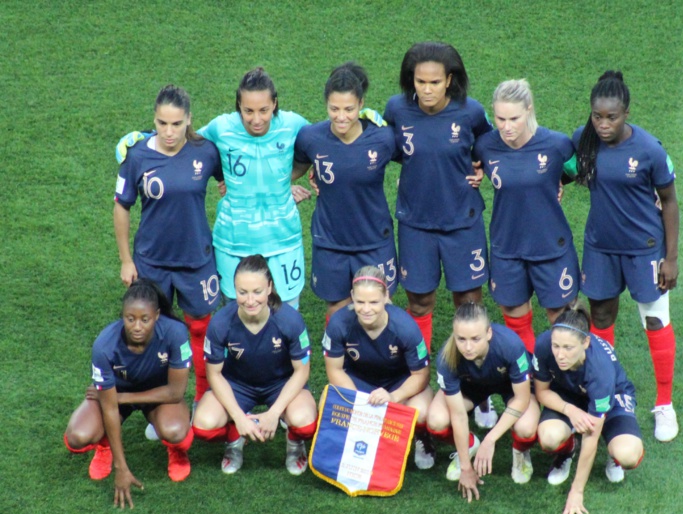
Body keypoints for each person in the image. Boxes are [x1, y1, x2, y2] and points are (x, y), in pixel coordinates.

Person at [383, 42, 497, 428]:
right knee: (420, 303)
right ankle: (420, 385)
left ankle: (476, 389)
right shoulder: (397, 110)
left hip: (462, 223)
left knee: (468, 302)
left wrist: (481, 170)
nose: (427, 90)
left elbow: (490, 146)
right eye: (420, 82)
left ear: (450, 80)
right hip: (415, 224)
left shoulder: (471, 111)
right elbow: (392, 150)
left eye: (435, 82)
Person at [574, 70, 680, 442]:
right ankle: (610, 393)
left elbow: (668, 201)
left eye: (612, 117)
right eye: (597, 116)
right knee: (601, 317)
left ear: (627, 113)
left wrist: (671, 258)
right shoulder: (585, 141)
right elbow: (566, 167)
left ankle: (664, 404)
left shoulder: (649, 149)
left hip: (644, 251)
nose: (603, 124)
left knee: (654, 319)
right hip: (600, 248)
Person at [113, 84, 223, 409]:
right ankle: (159, 408)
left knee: (201, 330)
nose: (169, 131)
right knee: (153, 334)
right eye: (162, 123)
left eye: (177, 124)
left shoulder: (205, 152)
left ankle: (204, 397)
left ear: (189, 120)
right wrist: (125, 260)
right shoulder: (136, 155)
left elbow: (227, 180)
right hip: (152, 263)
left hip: (196, 260)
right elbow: (121, 206)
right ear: (154, 120)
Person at [63, 279, 193, 509]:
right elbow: (110, 407)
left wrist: (123, 398)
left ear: (157, 316)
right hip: (117, 394)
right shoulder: (104, 345)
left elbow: (175, 392)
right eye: (130, 319)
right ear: (122, 316)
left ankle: (174, 450)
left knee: (176, 432)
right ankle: (105, 446)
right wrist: (121, 468)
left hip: (158, 396)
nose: (137, 326)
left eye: (145, 319)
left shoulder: (176, 333)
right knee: (77, 436)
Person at [474, 79, 579, 353]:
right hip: (507, 247)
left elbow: (582, 172)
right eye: (500, 118)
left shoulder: (557, 145)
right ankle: (530, 380)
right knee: (514, 314)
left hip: (550, 246)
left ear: (529, 110)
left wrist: (555, 183)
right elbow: (468, 166)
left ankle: (563, 380)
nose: (506, 127)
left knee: (561, 317)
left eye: (514, 118)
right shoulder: (485, 146)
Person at [191, 255, 317, 475]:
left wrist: (274, 413)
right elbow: (214, 374)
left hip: (280, 384)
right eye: (243, 292)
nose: (250, 300)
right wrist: (239, 417)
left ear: (269, 287)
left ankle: (295, 443)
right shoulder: (220, 323)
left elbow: (301, 371)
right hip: (237, 386)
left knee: (305, 423)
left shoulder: (290, 321)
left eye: (257, 292)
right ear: (234, 289)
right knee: (203, 425)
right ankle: (234, 438)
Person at [198, 67, 312, 308]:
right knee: (236, 313)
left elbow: (324, 142)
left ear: (275, 104)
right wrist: (143, 139)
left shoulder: (292, 124)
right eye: (248, 111)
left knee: (287, 313)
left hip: (282, 239)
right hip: (233, 240)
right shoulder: (222, 128)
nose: (256, 119)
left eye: (264, 110)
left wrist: (281, 183)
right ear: (239, 105)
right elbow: (185, 144)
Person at [294, 63, 400, 321]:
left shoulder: (383, 138)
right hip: (330, 240)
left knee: (380, 306)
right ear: (326, 104)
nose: (341, 116)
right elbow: (292, 169)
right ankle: (339, 360)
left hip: (374, 239)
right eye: (334, 109)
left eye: (349, 109)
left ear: (361, 103)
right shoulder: (310, 137)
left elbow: (418, 160)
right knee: (337, 309)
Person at [533, 306, 644, 514]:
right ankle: (567, 450)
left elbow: (591, 435)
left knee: (627, 454)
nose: (560, 354)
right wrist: (570, 410)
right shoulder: (544, 345)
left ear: (586, 342)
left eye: (568, 347)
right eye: (556, 346)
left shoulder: (600, 371)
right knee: (548, 438)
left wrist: (577, 491)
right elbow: (542, 391)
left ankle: (613, 453)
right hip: (570, 395)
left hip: (612, 396)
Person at [323, 266, 435, 469]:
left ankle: (422, 437)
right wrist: (358, 402)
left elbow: (421, 374)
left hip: (398, 383)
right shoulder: (339, 323)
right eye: (360, 302)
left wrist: (393, 397)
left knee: (422, 412)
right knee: (326, 403)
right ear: (352, 297)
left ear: (386, 297)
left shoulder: (406, 327)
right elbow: (334, 370)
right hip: (358, 382)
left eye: (374, 302)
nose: (366, 309)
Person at [426, 302, 539, 502]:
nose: (468, 347)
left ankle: (520, 451)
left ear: (488, 333)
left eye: (475, 339)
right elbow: (458, 415)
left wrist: (490, 439)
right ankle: (469, 445)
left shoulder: (511, 346)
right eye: (461, 339)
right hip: (471, 387)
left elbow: (521, 399)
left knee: (526, 427)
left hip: (509, 386)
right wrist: (465, 467)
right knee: (436, 419)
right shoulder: (447, 357)